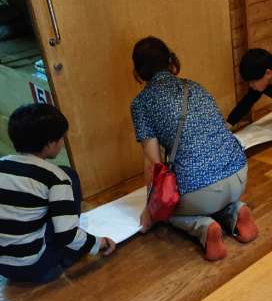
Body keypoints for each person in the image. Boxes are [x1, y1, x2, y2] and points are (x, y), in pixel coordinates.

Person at [131, 36, 258, 261]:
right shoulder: (194, 86)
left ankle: (204, 227)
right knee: (210, 193)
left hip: (201, 191)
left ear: (138, 71)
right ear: (170, 61)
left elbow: (153, 163)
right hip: (239, 173)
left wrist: (150, 210)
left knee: (165, 209)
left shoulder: (141, 104)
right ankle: (236, 210)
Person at [0, 104, 116, 284]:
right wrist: (99, 243)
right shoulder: (55, 178)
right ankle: (63, 258)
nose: (62, 142)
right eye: (61, 138)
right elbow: (67, 235)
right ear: (49, 143)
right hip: (36, 266)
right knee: (69, 176)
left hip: (4, 268)